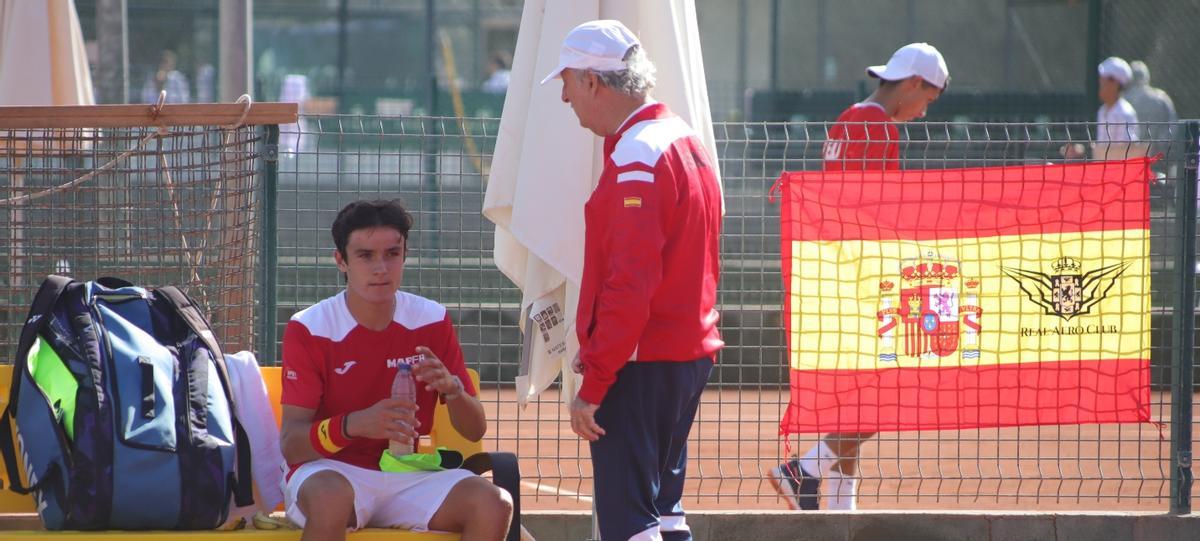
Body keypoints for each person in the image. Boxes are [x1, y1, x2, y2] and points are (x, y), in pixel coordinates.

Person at [542, 19, 723, 541]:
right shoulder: (681, 136)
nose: (565, 98)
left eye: (567, 83)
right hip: (683, 351)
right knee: (664, 513)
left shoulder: (636, 154)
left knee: (630, 523)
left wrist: (596, 380)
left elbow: (631, 283)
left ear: (592, 81)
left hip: (642, 359)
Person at [769, 42, 949, 511]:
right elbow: (880, 211)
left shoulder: (848, 118)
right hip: (865, 275)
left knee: (856, 396)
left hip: (840, 271)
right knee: (883, 394)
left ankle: (840, 507)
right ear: (914, 83)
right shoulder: (878, 127)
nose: (924, 112)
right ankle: (803, 470)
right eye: (927, 99)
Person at [278, 199, 512, 541]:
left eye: (392, 253)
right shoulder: (310, 327)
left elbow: (474, 429)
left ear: (405, 256)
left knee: (494, 503)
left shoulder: (431, 319)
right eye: (365, 255)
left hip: (409, 471)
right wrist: (355, 424)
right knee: (330, 500)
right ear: (341, 261)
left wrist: (454, 391)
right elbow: (292, 445)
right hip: (328, 472)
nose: (381, 268)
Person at [1064, 56, 1139, 160]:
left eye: (1103, 81)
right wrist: (1082, 151)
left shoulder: (1124, 112)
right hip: (1103, 167)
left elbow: (1124, 152)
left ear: (1115, 83)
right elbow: (1103, 148)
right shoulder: (1102, 110)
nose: (1099, 84)